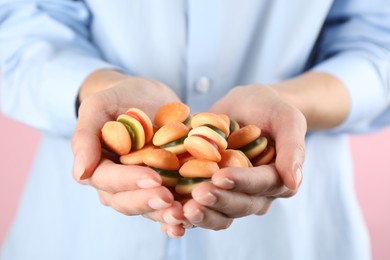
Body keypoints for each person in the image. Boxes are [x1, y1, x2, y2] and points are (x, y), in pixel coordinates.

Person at [1, 0, 389, 259]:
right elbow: (20, 28)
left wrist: (294, 104)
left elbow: (378, 41)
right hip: (77, 238)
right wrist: (99, 91)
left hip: (295, 238)